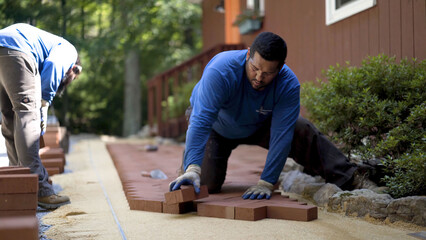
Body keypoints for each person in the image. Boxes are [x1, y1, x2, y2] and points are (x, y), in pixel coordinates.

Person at [169, 32, 377, 200]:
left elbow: (282, 135)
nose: (259, 78)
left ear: (280, 68)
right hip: (217, 126)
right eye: (255, 68)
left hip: (259, 124)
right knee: (206, 184)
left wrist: (267, 181)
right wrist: (193, 167)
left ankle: (352, 178)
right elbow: (201, 120)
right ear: (249, 53)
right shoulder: (221, 70)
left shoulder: (288, 84)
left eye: (268, 73)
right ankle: (188, 167)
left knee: (302, 129)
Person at [0, 23, 82, 209]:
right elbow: (53, 66)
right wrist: (43, 103)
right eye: (71, 78)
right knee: (27, 117)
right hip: (17, 50)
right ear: (75, 69)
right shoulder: (69, 50)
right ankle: (40, 190)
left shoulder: (46, 44)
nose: (67, 81)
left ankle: (17, 184)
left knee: (10, 119)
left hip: (3, 48)